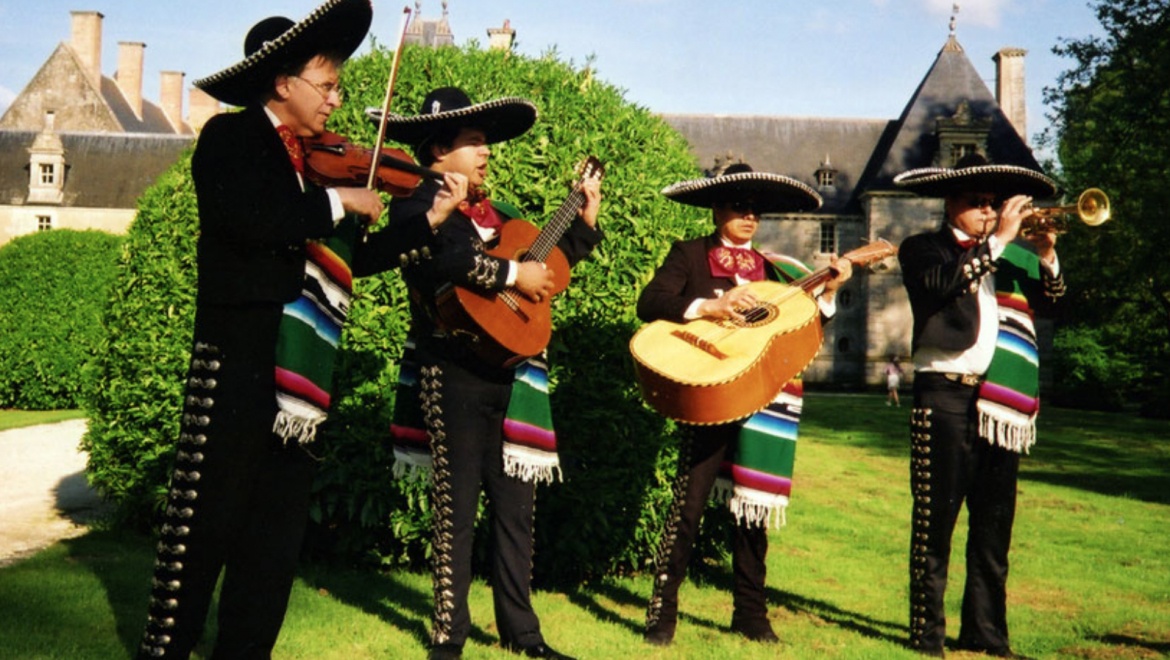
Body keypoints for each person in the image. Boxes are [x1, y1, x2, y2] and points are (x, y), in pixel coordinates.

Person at [135, 2, 454, 657]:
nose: (337, 100)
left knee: (273, 539)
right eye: (328, 84)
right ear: (284, 83)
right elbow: (252, 219)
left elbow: (351, 259)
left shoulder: (318, 165)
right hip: (238, 361)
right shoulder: (229, 139)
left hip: (296, 381)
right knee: (205, 526)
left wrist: (425, 219)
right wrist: (338, 201)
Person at [373, 87, 603, 660]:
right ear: (438, 150)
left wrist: (583, 219)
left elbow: (544, 269)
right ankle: (448, 639)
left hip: (510, 375)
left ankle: (523, 635)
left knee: (516, 510)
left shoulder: (496, 218)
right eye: (474, 142)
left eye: (485, 144)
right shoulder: (415, 205)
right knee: (456, 509)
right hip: (449, 371)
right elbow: (443, 263)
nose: (486, 153)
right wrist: (509, 275)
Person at [637, 163, 852, 646]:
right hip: (710, 388)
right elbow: (650, 303)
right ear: (717, 210)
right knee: (689, 505)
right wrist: (706, 308)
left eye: (755, 208)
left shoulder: (779, 270)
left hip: (765, 397)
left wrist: (831, 291)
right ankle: (661, 612)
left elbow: (804, 329)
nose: (749, 215)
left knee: (753, 509)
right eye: (739, 205)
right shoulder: (690, 255)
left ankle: (751, 615)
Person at [895, 153, 1065, 657]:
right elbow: (941, 287)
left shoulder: (1012, 257)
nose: (989, 211)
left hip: (999, 405)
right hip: (944, 393)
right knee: (935, 526)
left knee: (993, 528)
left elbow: (1056, 304)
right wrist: (999, 241)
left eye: (994, 204)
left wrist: (1047, 253)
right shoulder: (923, 248)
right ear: (951, 203)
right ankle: (928, 636)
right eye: (977, 203)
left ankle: (986, 634)